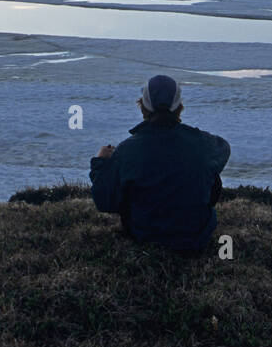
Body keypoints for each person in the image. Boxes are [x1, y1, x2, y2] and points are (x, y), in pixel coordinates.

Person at [89, 74, 230, 251]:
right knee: (209, 172)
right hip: (195, 236)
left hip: (144, 236)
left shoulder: (126, 150)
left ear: (143, 107)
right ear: (179, 107)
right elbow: (224, 149)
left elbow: (103, 201)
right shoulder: (202, 143)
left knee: (125, 182)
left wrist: (101, 162)